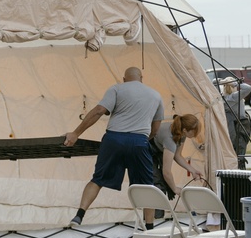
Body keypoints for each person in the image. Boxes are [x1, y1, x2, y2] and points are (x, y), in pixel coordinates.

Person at [64, 66, 165, 228]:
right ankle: (150, 227)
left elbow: (98, 111)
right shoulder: (156, 95)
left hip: (114, 139)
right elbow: (155, 129)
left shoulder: (117, 89)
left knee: (97, 179)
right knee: (147, 186)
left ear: (124, 79)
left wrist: (76, 133)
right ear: (142, 78)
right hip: (139, 141)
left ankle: (78, 216)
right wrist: (143, 139)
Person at [150, 113, 207, 198]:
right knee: (158, 186)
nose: (197, 133)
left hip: (158, 149)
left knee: (162, 184)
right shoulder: (169, 140)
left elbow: (177, 155)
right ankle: (155, 210)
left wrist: (192, 170)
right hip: (147, 150)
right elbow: (166, 172)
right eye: (195, 131)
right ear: (185, 130)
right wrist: (175, 189)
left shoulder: (181, 134)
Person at [221, 78, 251, 169]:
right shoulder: (234, 97)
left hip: (231, 126)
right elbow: (248, 88)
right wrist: (235, 83)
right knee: (240, 152)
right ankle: (240, 170)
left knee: (233, 150)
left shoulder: (222, 98)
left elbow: (214, 81)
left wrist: (223, 81)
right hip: (241, 125)